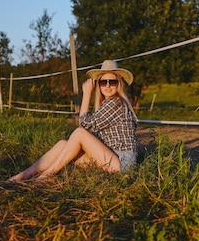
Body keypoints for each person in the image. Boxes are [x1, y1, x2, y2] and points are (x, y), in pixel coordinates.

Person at [8, 60, 138, 182]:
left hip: (121, 163)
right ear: (98, 84)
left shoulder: (116, 103)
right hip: (109, 157)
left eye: (113, 82)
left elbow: (85, 125)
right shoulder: (106, 104)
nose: (108, 85)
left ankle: (47, 175)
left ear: (119, 84)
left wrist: (86, 94)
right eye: (103, 82)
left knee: (79, 133)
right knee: (62, 144)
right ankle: (23, 175)